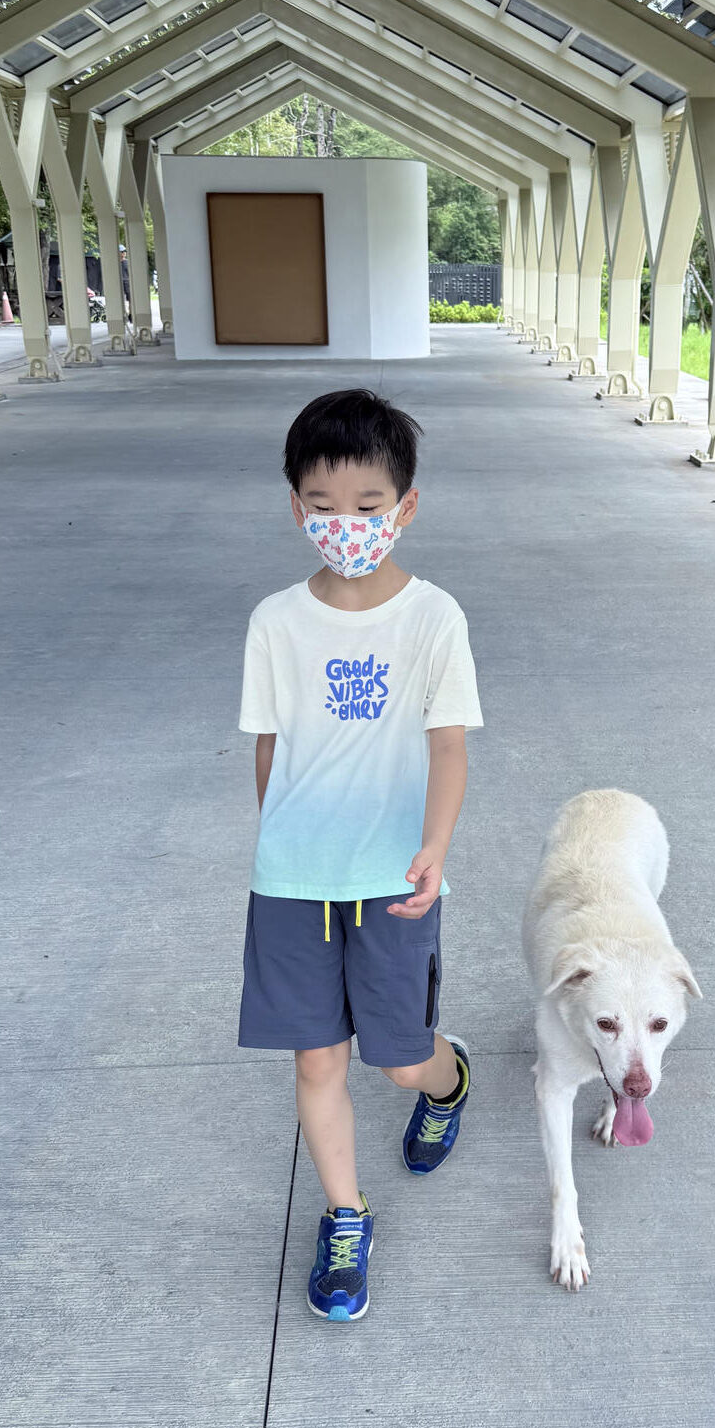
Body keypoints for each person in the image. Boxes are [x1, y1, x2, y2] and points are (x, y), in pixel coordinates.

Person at [237, 389, 482, 1321]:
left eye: (368, 505)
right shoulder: (275, 622)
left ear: (404, 507)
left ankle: (448, 1082)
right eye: (323, 506)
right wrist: (283, 844)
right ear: (297, 508)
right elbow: (269, 746)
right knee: (317, 1063)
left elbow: (448, 745)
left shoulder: (433, 618)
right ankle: (348, 1216)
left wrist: (434, 846)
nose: (346, 524)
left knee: (400, 1060)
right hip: (294, 883)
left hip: (393, 879)